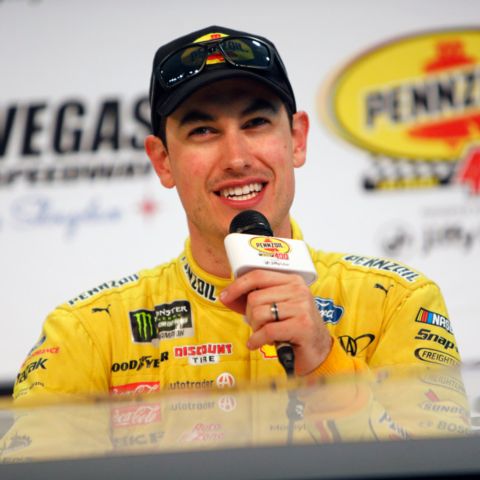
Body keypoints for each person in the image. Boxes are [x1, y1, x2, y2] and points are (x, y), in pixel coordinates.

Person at [13, 25, 460, 402]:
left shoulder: (398, 304)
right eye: (203, 130)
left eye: (256, 123)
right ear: (163, 160)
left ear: (297, 139)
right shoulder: (84, 334)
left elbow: (440, 463)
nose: (237, 157)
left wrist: (327, 361)